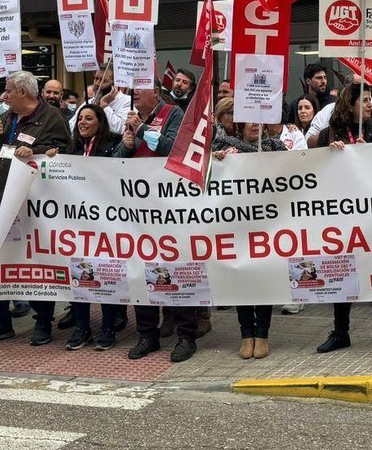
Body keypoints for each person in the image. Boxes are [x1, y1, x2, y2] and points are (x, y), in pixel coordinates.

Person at [0, 71, 71, 345]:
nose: (4, 96)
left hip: (32, 201)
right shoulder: (6, 117)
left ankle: (42, 320)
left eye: (9, 91)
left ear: (24, 93)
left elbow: (66, 151)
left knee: (35, 260)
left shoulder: (52, 117)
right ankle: (0, 320)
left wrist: (37, 149)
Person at [315, 84, 372, 354]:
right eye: (364, 100)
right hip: (341, 217)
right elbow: (317, 171)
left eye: (371, 100)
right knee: (342, 274)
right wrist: (331, 152)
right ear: (349, 104)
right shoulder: (330, 133)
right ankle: (341, 332)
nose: (369, 105)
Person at [115, 85, 198, 362]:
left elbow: (174, 149)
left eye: (140, 89)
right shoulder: (132, 118)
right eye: (133, 90)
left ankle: (187, 335)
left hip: (170, 207)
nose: (134, 94)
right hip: (140, 210)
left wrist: (141, 131)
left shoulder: (172, 113)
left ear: (155, 92)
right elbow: (114, 163)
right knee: (141, 269)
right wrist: (126, 148)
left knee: (178, 267)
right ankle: (147, 335)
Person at [47, 103, 128, 351]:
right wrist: (52, 157)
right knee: (79, 274)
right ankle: (82, 328)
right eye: (80, 118)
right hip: (78, 223)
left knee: (104, 273)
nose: (82, 122)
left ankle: (107, 327)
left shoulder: (112, 144)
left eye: (89, 118)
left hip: (106, 221)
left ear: (100, 122)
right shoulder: (72, 148)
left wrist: (127, 145)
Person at [212, 105, 286, 359]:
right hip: (236, 226)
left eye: (259, 121)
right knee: (241, 279)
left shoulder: (276, 147)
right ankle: (246, 335)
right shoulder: (225, 145)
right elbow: (206, 170)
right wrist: (219, 158)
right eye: (249, 121)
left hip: (267, 226)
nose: (255, 125)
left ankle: (262, 335)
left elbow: (298, 168)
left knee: (262, 280)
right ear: (240, 124)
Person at [87, 63, 132, 132]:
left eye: (103, 81)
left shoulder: (127, 101)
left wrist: (104, 105)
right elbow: (71, 126)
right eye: (96, 79)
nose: (97, 83)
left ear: (114, 84)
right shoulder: (90, 102)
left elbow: (121, 129)